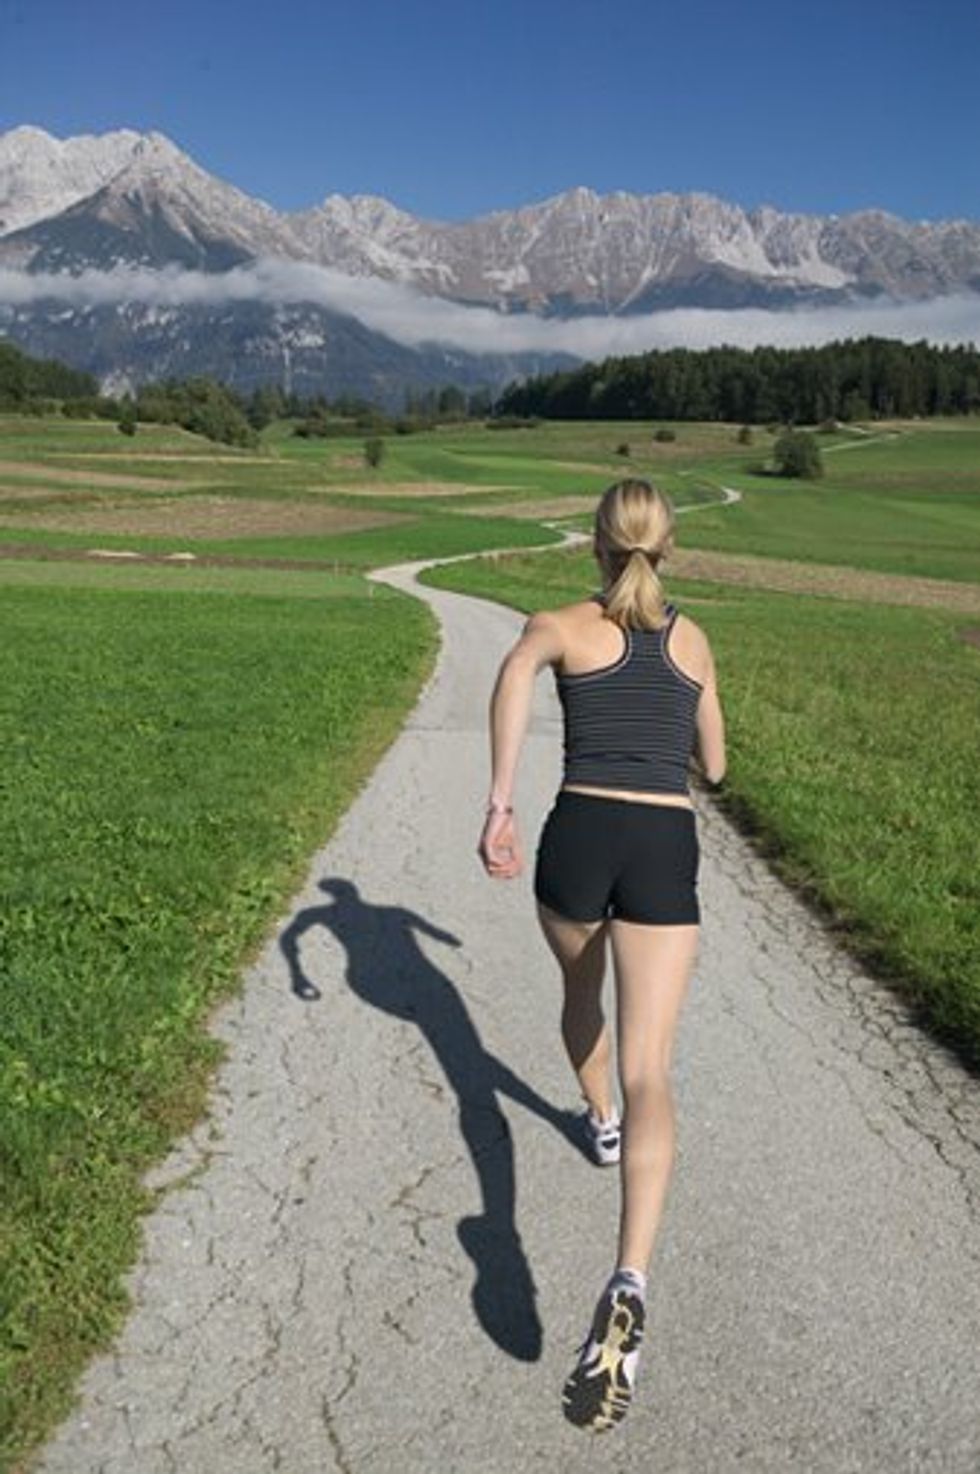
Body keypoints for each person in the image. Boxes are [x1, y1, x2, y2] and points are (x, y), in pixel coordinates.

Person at [477, 478, 726, 1432]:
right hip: (664, 841)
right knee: (652, 1062)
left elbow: (510, 678)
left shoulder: (557, 624)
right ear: (669, 548)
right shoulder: (693, 641)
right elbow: (716, 767)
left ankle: (599, 1120)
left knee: (581, 992)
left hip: (580, 830)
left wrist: (499, 803)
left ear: (594, 544)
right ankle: (630, 1276)